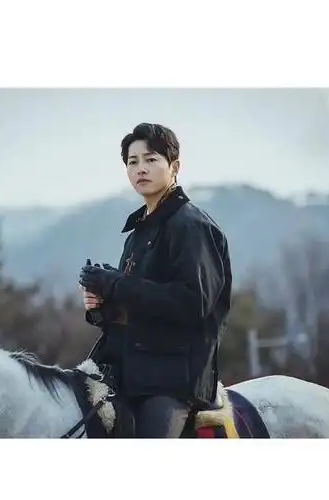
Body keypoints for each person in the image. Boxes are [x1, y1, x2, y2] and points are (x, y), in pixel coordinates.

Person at [78, 123, 232, 438]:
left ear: (174, 167)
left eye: (151, 159)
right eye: (132, 162)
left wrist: (116, 284)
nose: (140, 169)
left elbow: (192, 304)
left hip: (171, 380)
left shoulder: (191, 226)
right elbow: (138, 309)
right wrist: (100, 305)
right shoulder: (138, 231)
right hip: (125, 371)